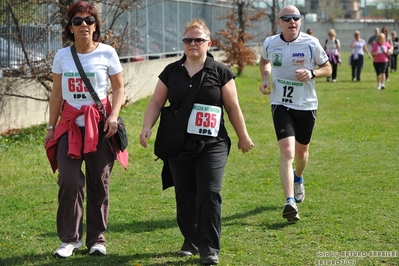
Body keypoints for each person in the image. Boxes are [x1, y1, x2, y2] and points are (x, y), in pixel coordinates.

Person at [139, 18, 254, 265]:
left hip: (213, 143)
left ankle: (210, 248)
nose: (193, 44)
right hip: (180, 144)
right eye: (188, 40)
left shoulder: (220, 72)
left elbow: (233, 108)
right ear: (183, 43)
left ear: (208, 43)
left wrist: (243, 136)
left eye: (198, 40)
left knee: (210, 192)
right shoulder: (171, 71)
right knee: (185, 194)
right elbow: (156, 102)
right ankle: (190, 241)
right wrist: (147, 126)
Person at [43, 1, 128, 258]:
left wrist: (113, 116)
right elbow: (57, 94)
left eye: (88, 21)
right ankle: (69, 240)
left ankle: (96, 240)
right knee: (69, 180)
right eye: (77, 21)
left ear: (95, 26)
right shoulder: (62, 56)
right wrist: (50, 126)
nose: (83, 25)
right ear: (70, 27)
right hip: (70, 127)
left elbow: (119, 89)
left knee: (98, 183)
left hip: (101, 127)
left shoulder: (107, 53)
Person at [258, 5, 331, 222]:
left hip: (306, 105)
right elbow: (264, 61)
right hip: (281, 104)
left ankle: (298, 178)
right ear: (279, 22)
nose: (292, 21)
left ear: (300, 21)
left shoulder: (311, 43)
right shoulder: (271, 42)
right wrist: (264, 78)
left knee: (301, 155)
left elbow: (328, 68)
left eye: (296, 18)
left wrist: (311, 72)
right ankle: (289, 201)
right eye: (287, 18)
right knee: (287, 153)